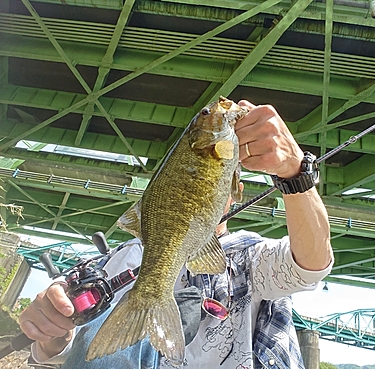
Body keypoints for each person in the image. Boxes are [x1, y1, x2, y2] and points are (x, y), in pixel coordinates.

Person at [19, 100, 333, 369]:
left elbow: (311, 265)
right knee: (108, 320)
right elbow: (64, 348)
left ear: (236, 190)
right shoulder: (124, 259)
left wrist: (295, 174)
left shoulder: (251, 258)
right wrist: (53, 329)